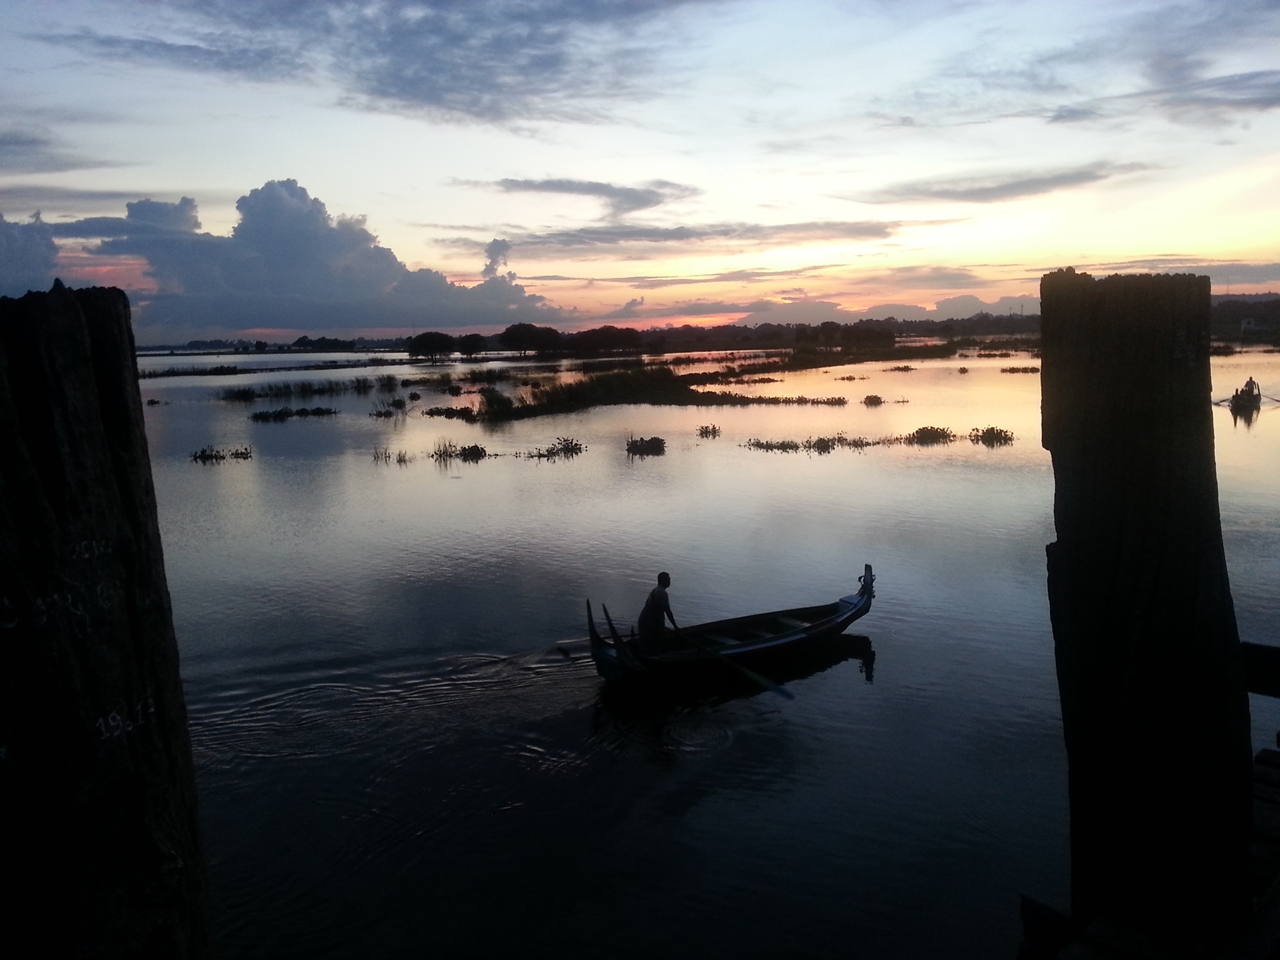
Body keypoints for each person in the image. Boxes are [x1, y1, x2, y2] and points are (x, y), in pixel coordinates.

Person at [636, 571, 679, 656]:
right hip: (649, 623)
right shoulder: (662, 593)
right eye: (668, 580)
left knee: (646, 645)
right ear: (664, 581)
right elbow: (668, 612)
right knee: (653, 644)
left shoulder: (656, 590)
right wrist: (675, 627)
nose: (670, 581)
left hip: (645, 621)